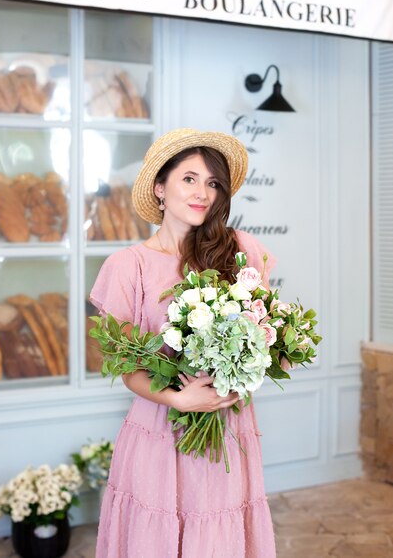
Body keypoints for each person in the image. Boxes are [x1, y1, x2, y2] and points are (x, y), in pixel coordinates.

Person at [90, 128, 277, 558]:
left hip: (227, 427)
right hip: (159, 430)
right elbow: (126, 366)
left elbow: (266, 331)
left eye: (213, 183)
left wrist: (240, 371)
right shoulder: (127, 266)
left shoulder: (240, 251)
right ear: (160, 188)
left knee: (220, 536)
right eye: (189, 179)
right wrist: (177, 400)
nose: (203, 193)